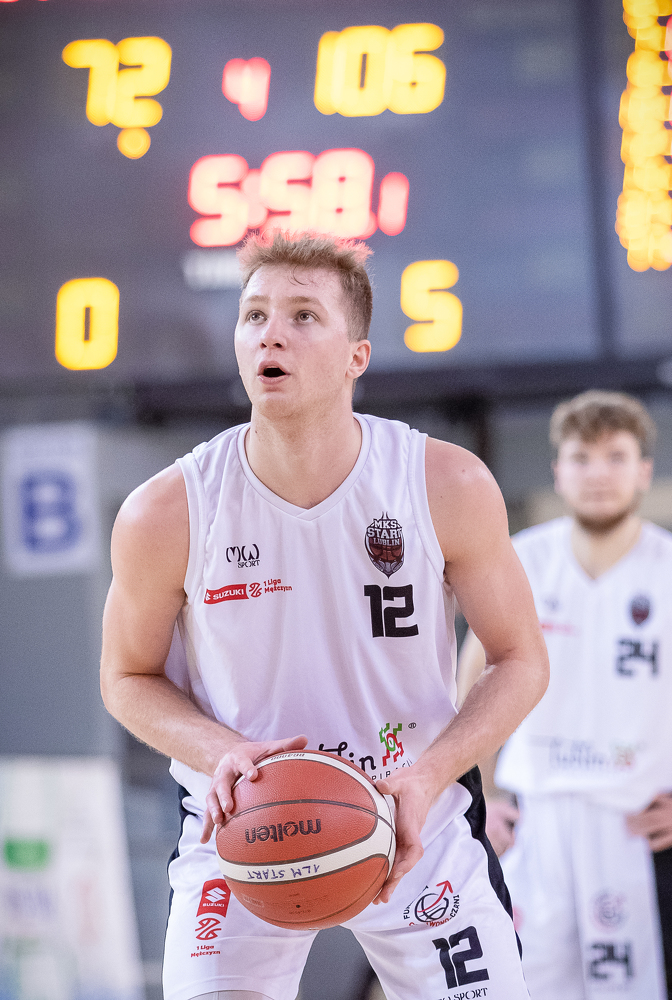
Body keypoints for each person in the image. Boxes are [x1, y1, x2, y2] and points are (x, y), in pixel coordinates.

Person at [100, 231, 548, 1000]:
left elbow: (521, 659)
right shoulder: (166, 511)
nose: (270, 333)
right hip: (243, 827)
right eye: (254, 315)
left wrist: (431, 774)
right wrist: (221, 751)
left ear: (356, 357)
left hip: (417, 818)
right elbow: (126, 677)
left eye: (303, 315)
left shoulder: (444, 484)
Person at [458, 390, 672, 1000]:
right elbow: (470, 683)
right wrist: (482, 796)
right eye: (581, 458)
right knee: (527, 988)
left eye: (615, 457)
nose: (598, 474)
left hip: (637, 827)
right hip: (535, 822)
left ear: (644, 471)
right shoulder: (522, 560)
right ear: (557, 471)